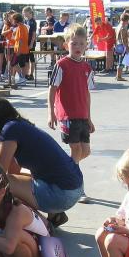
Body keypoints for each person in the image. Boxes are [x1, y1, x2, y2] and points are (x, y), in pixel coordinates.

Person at [0, 97, 84, 228]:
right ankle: (55, 215)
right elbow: (14, 171)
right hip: (75, 188)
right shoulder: (19, 126)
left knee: (2, 184)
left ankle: (43, 225)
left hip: (62, 194)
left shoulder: (9, 129)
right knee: (17, 178)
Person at [48, 25, 95, 167]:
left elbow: (87, 94)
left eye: (81, 43)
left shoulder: (87, 67)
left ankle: (64, 168)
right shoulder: (61, 65)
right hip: (67, 115)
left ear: (86, 45)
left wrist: (89, 118)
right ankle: (73, 176)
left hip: (82, 115)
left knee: (85, 151)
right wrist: (51, 113)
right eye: (74, 43)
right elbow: (52, 89)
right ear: (66, 44)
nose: (77, 47)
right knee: (76, 149)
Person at [5, 13, 29, 89]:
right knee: (21, 65)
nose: (11, 21)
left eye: (12, 19)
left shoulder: (21, 27)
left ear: (16, 20)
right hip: (22, 49)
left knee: (13, 63)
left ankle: (21, 77)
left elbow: (21, 40)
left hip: (20, 49)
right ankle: (22, 79)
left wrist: (18, 51)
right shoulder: (22, 27)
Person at [114, 13, 129, 82]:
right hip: (122, 45)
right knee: (121, 61)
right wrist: (126, 47)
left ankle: (117, 75)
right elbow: (123, 39)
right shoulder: (123, 27)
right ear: (126, 20)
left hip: (118, 45)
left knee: (119, 60)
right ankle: (119, 76)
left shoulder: (118, 26)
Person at [23, 6, 37, 81]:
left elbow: (34, 34)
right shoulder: (26, 21)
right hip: (25, 42)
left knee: (31, 58)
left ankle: (31, 74)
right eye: (23, 12)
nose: (24, 14)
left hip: (31, 42)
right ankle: (27, 74)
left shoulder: (33, 22)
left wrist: (31, 43)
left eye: (25, 12)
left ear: (29, 12)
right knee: (26, 59)